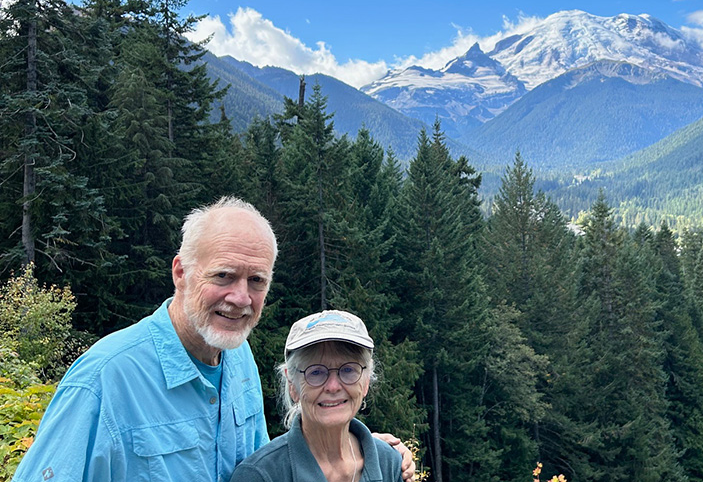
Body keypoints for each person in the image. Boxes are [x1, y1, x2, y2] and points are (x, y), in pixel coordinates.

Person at [12, 197, 413, 482]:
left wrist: (349, 448)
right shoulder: (105, 381)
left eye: (256, 281)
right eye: (223, 276)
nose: (240, 298)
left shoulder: (237, 358)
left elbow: (261, 464)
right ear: (181, 273)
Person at [230, 310, 402, 482]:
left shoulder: (389, 463)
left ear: (365, 382)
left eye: (348, 370)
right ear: (292, 385)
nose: (333, 386)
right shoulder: (260, 474)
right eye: (316, 372)